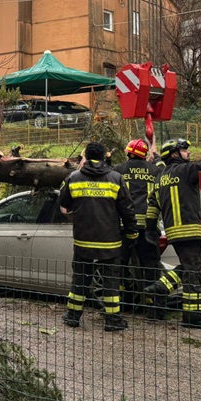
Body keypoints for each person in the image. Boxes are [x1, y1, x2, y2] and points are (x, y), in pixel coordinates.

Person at [145, 135, 201, 328]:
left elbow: (152, 206)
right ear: (175, 154)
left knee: (191, 266)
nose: (188, 152)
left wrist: (151, 229)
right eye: (185, 150)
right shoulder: (187, 170)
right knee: (193, 272)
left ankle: (160, 287)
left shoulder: (161, 176)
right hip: (190, 229)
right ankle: (192, 317)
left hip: (174, 231)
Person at [59, 141, 139, 332]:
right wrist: (132, 231)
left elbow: (63, 202)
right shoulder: (116, 178)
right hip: (110, 240)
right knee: (111, 281)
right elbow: (127, 209)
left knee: (80, 278)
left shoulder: (73, 178)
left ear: (85, 157)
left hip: (82, 239)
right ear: (104, 157)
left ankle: (72, 317)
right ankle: (112, 321)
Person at [113, 138, 163, 316]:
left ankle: (119, 305)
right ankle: (154, 309)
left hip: (124, 227)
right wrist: (157, 158)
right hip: (148, 227)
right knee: (151, 267)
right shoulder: (156, 170)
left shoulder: (119, 170)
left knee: (119, 266)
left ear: (128, 153)